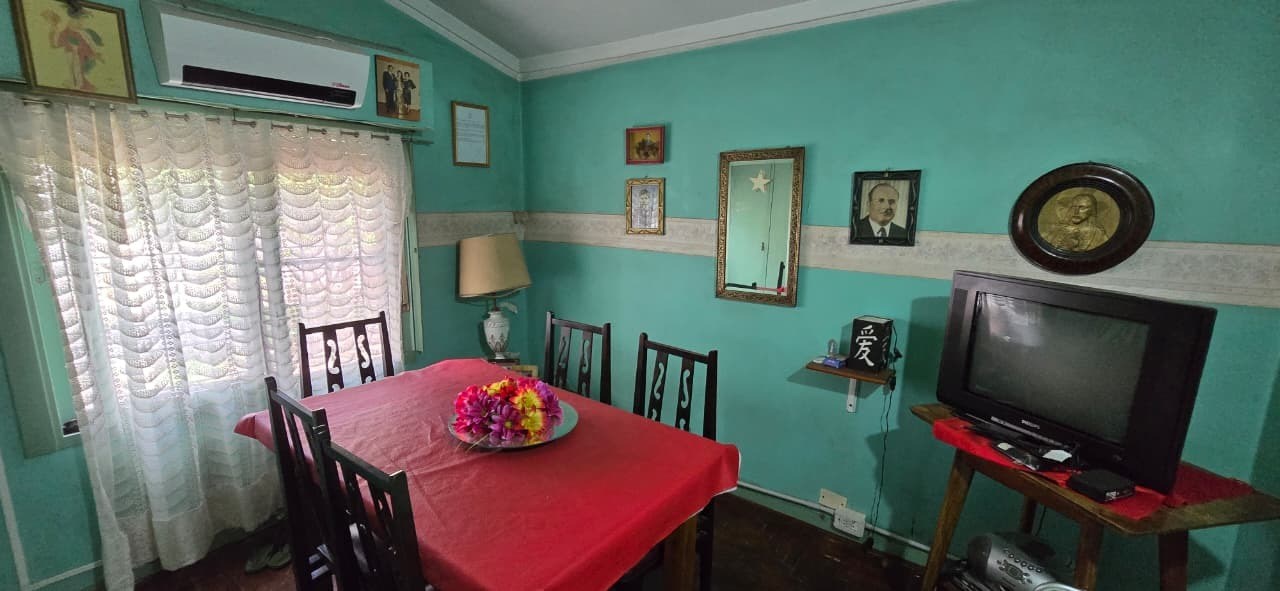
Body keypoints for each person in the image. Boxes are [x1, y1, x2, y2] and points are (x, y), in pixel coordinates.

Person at [1041, 191, 1111, 252]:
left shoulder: (1099, 235)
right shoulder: (1057, 231)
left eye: (1082, 207)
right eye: (1074, 207)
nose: (1076, 212)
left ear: (1092, 210)